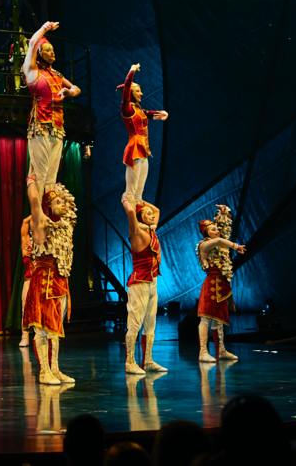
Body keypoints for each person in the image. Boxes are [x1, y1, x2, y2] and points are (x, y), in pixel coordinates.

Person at [22, 21, 82, 213]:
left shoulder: (56, 74)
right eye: (48, 50)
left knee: (51, 176)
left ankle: (48, 213)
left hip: (57, 128)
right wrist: (45, 28)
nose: (52, 53)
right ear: (40, 53)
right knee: (39, 174)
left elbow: (76, 89)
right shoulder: (32, 72)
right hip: (41, 126)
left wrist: (69, 92)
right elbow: (33, 43)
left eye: (53, 50)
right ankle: (37, 215)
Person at [24, 183, 77, 385]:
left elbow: (70, 209)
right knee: (42, 329)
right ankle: (44, 371)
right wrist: (33, 183)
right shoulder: (41, 225)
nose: (62, 204)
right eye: (57, 202)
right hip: (44, 282)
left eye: (63, 201)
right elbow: (34, 202)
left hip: (60, 282)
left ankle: (55, 369)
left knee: (56, 329)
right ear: (49, 207)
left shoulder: (66, 226)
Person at [122, 199, 167, 376]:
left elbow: (158, 210)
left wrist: (142, 201)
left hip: (152, 282)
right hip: (139, 282)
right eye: (147, 214)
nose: (152, 215)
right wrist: (128, 199)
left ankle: (148, 360)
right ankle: (130, 362)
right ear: (140, 217)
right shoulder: (137, 233)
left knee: (150, 323)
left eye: (151, 214)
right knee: (135, 324)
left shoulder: (151, 230)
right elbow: (130, 214)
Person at [196, 204, 245, 363]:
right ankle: (203, 351)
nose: (217, 231)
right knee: (205, 318)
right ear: (206, 233)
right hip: (211, 285)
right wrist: (236, 246)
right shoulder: (204, 245)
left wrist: (224, 212)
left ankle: (221, 350)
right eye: (213, 229)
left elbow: (224, 231)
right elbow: (218, 239)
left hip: (222, 284)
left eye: (217, 229)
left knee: (219, 320)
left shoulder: (219, 243)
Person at [117, 64, 169, 207]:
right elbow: (126, 88)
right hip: (134, 149)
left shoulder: (138, 109)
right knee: (131, 190)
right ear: (131, 93)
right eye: (138, 91)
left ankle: (138, 212)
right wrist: (132, 70)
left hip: (144, 150)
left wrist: (160, 113)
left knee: (139, 192)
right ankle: (131, 214)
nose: (141, 94)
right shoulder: (127, 109)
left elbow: (147, 114)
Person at [19, 215, 33, 347]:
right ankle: (25, 337)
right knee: (25, 309)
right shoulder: (26, 241)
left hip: (42, 281)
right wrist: (36, 212)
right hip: (29, 280)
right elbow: (24, 222)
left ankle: (44, 336)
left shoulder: (45, 241)